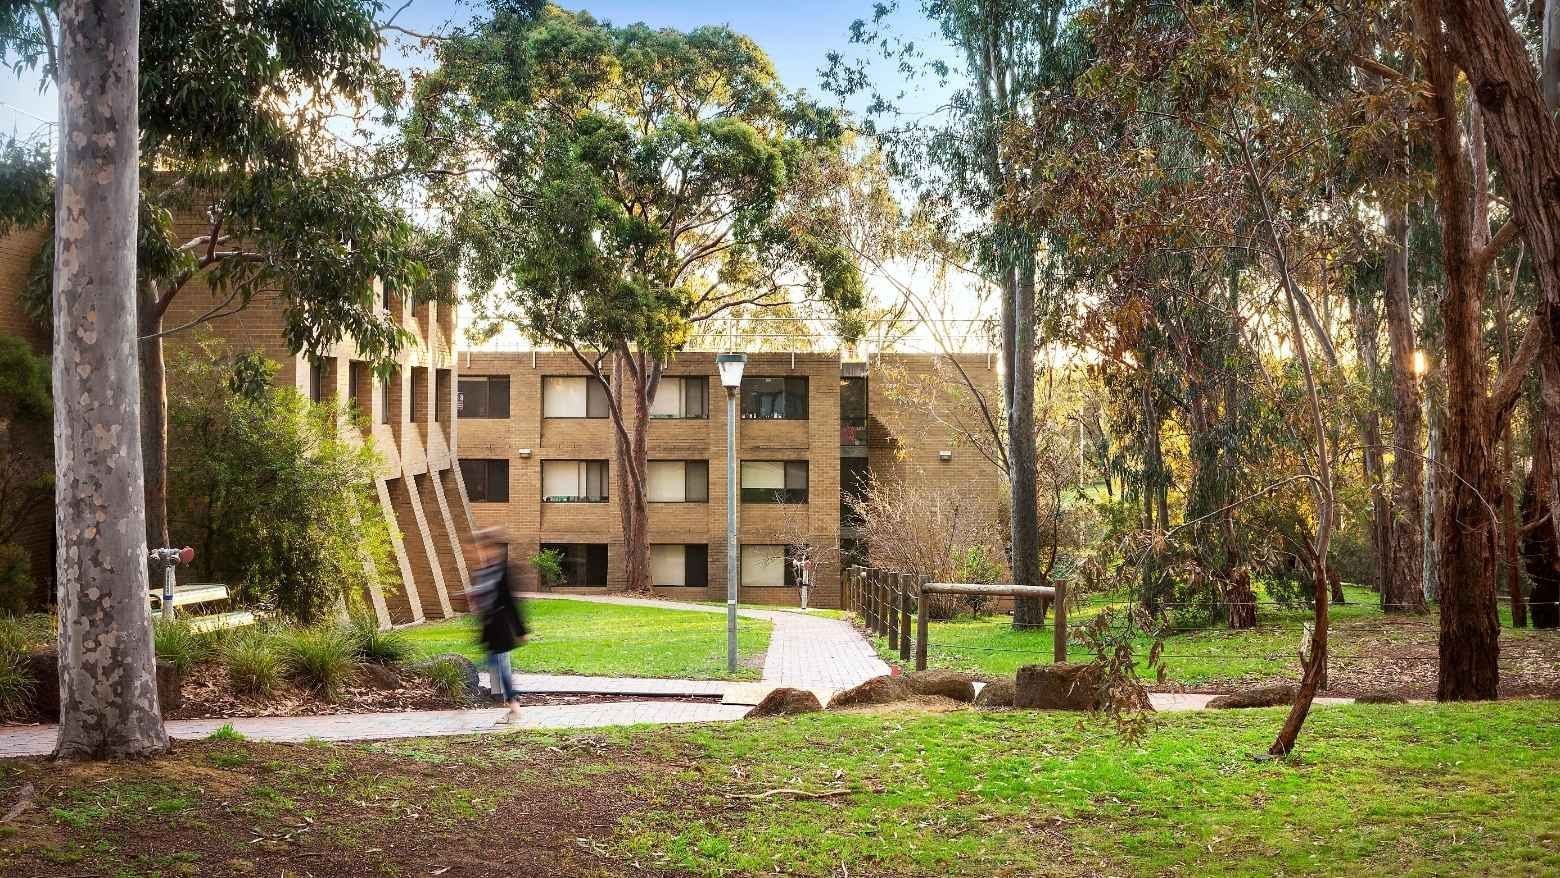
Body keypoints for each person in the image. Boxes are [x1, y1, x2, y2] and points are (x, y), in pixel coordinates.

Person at [466, 528, 528, 724]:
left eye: (481, 548)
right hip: (488, 627)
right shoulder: (482, 572)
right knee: (494, 664)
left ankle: (513, 702)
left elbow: (511, 601)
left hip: (500, 627)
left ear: (490, 549)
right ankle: (509, 699)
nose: (477, 552)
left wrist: (520, 630)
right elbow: (480, 597)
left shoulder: (502, 572)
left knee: (500, 666)